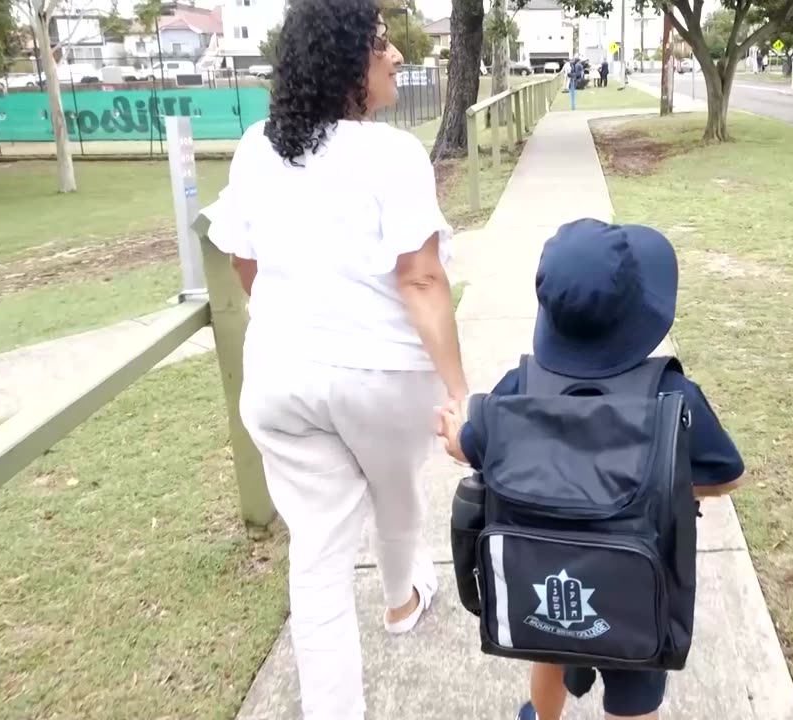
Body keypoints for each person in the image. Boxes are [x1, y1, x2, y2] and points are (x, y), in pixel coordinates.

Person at [201, 0, 467, 718]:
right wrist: (460, 388)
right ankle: (401, 600)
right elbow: (420, 278)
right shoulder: (394, 154)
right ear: (349, 60)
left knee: (316, 562)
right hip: (382, 375)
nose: (397, 56)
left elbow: (241, 257)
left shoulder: (257, 145)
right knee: (395, 488)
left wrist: (292, 320)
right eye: (383, 42)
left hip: (280, 378)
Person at [436, 219, 746, 720]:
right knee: (636, 686)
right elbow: (727, 474)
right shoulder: (672, 397)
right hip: (635, 585)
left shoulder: (521, 386)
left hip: (545, 568)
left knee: (549, 649)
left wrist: (455, 432)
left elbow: (473, 447)